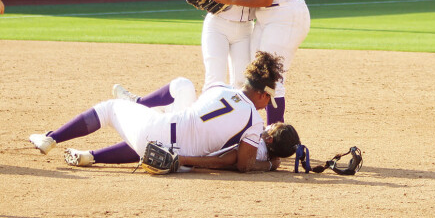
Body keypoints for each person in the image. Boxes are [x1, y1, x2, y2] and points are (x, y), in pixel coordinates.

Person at [29, 51, 288, 173]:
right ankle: (92, 156)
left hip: (160, 132)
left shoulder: (218, 86)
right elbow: (244, 165)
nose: (267, 105)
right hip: (175, 157)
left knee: (110, 108)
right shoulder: (254, 120)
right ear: (263, 94)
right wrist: (269, 165)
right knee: (160, 122)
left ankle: (52, 138)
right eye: (269, 99)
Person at [63, 79, 300, 172]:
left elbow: (235, 162)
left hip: (182, 149)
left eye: (274, 127)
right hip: (182, 143)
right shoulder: (258, 137)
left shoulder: (256, 142)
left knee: (181, 89)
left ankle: (137, 102)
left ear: (269, 139)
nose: (270, 124)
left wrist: (184, 160)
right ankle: (91, 156)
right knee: (155, 127)